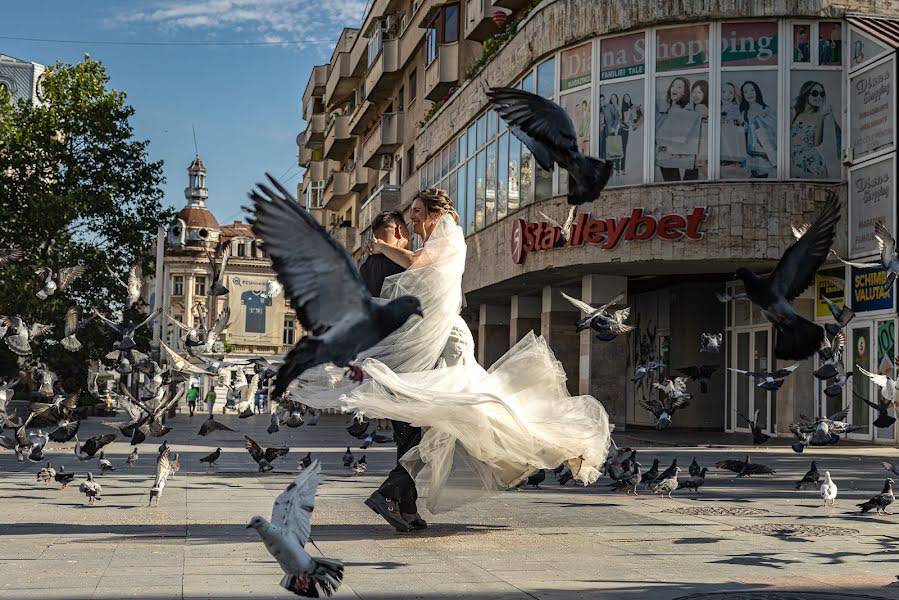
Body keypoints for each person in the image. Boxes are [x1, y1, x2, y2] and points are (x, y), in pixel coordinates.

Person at [292, 188, 611, 533]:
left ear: (435, 212)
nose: (411, 218)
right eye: (408, 213)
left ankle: (397, 498)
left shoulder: (444, 240)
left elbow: (418, 271)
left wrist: (382, 248)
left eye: (416, 211)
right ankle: (400, 502)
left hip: (442, 344)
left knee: (449, 422)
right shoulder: (406, 254)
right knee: (433, 426)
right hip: (425, 348)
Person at [790, 80, 839, 178]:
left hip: (812, 163)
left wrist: (821, 117)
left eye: (822, 94)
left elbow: (816, 143)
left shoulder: (819, 116)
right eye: (815, 93)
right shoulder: (794, 112)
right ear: (806, 94)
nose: (819, 97)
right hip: (793, 161)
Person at [740, 81, 777, 178]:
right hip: (749, 157)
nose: (749, 93)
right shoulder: (743, 112)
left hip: (765, 156)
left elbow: (775, 132)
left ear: (757, 91)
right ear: (743, 95)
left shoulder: (767, 110)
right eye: (746, 91)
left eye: (752, 90)